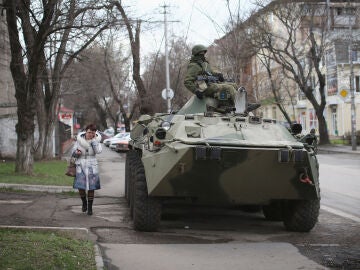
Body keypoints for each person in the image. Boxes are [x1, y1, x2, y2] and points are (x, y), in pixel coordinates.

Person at [71, 124, 102, 215]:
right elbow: (73, 151)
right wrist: (76, 152)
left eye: (93, 133)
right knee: (81, 186)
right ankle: (84, 202)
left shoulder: (96, 140)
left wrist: (94, 142)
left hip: (92, 165)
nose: (90, 134)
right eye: (89, 132)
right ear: (86, 131)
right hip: (80, 164)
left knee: (91, 187)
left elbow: (98, 151)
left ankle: (90, 208)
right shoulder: (79, 140)